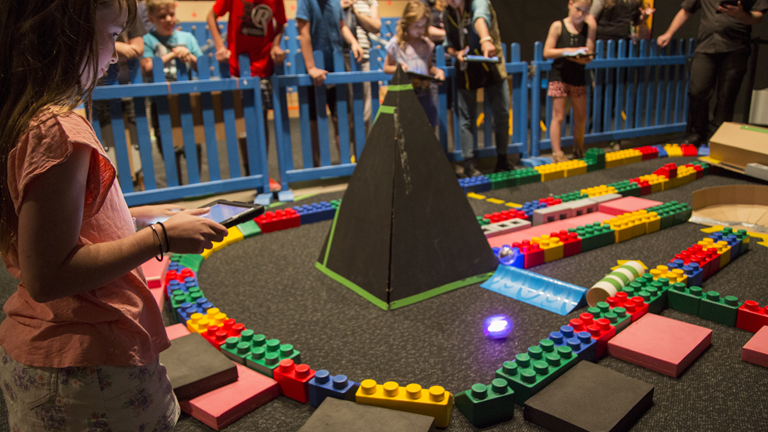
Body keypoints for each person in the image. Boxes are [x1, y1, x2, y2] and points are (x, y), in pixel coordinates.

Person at [0, 0, 228, 430]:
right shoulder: (59, 130)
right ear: (67, 34)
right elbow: (48, 274)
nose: (116, 49)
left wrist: (144, 215)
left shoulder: (31, 119)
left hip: (69, 363)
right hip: (87, 369)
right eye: (112, 34)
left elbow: (68, 222)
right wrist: (159, 237)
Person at [658, 0, 766, 146]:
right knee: (697, 90)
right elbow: (686, 10)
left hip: (736, 47)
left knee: (726, 96)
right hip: (706, 46)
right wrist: (669, 33)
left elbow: (758, 17)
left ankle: (716, 135)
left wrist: (741, 15)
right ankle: (697, 133)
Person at [207, 0, 286, 188]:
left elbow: (281, 23)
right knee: (244, 122)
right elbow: (211, 16)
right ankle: (251, 171)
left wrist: (276, 45)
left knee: (262, 121)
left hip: (264, 68)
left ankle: (263, 172)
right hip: (237, 68)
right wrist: (220, 46)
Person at [443, 0, 512, 176]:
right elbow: (448, 44)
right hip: (466, 69)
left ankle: (502, 159)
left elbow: (480, 18)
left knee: (502, 113)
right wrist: (455, 53)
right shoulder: (447, 13)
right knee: (466, 118)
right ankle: (469, 164)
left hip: (490, 62)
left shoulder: (478, 2)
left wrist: (485, 39)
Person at [295, 0, 364, 167]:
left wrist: (354, 42)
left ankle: (345, 163)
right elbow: (304, 33)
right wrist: (311, 67)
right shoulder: (305, 2)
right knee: (314, 120)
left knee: (340, 116)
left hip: (335, 67)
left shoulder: (335, 2)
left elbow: (342, 26)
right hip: (313, 71)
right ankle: (315, 165)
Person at [544, 0, 596, 162]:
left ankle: (579, 148)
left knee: (581, 116)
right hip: (559, 74)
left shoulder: (589, 28)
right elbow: (547, 52)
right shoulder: (558, 26)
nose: (581, 14)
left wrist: (578, 57)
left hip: (578, 76)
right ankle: (557, 153)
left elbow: (589, 55)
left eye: (585, 11)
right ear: (570, 4)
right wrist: (568, 52)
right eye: (578, 9)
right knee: (558, 116)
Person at [384, 1, 446, 127]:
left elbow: (429, 67)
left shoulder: (426, 44)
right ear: (407, 23)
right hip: (404, 98)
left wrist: (438, 72)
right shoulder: (397, 43)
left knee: (427, 132)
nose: (420, 30)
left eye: (423, 26)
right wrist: (398, 68)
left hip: (425, 95)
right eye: (416, 26)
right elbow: (386, 67)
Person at [141, 0, 204, 80]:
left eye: (172, 14)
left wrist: (188, 55)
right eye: (162, 16)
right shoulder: (147, 39)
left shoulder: (188, 37)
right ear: (150, 18)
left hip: (184, 89)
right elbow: (147, 70)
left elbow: (203, 67)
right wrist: (173, 54)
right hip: (158, 90)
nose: (168, 19)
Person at [589, 0, 654, 43]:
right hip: (604, 43)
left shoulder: (634, 1)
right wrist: (590, 42)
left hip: (625, 43)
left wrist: (644, 17)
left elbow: (634, 21)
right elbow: (591, 17)